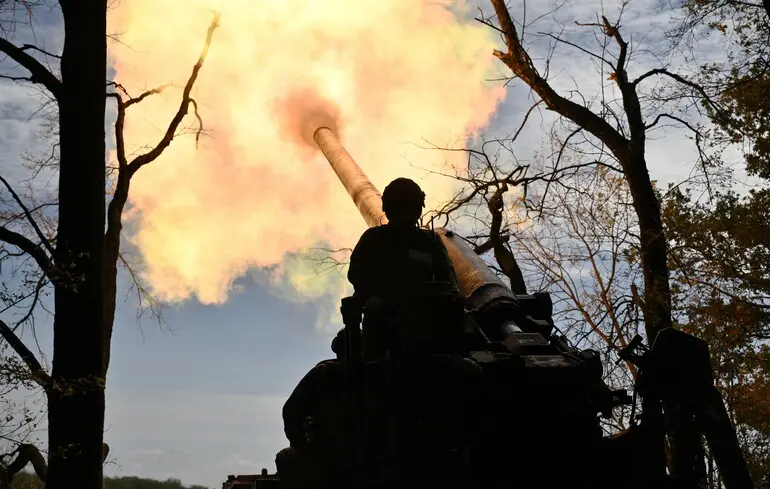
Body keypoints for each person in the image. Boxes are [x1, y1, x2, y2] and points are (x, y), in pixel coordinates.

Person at [347, 177, 462, 358]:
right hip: (385, 314)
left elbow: (447, 277)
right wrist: (380, 294)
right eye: (401, 205)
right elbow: (357, 273)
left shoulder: (430, 242)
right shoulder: (374, 238)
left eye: (409, 205)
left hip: (427, 315)